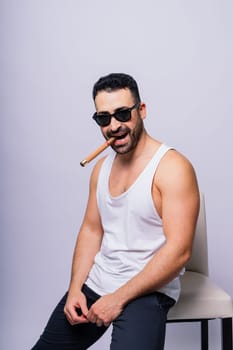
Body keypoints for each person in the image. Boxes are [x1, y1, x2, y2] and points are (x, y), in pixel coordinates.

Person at [31, 73, 200, 350]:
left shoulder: (172, 168)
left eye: (123, 114)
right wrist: (75, 288)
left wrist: (118, 298)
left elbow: (179, 251)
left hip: (148, 288)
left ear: (141, 110)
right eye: (104, 118)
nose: (114, 126)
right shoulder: (101, 169)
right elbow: (91, 230)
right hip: (100, 280)